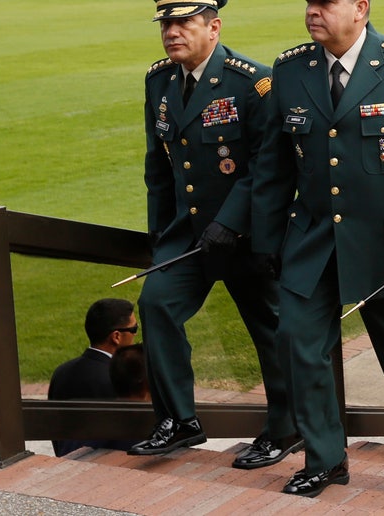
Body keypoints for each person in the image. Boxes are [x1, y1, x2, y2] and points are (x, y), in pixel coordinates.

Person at [251, 0, 384, 500]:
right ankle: (325, 459)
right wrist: (266, 239)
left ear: (361, 8)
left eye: (326, 2)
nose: (313, 11)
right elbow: (274, 165)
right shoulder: (291, 69)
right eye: (309, 3)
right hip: (313, 238)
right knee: (298, 343)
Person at [131, 0, 302, 469]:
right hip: (187, 234)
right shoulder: (158, 80)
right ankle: (178, 421)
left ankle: (286, 429)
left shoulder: (253, 82)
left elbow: (268, 165)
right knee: (156, 303)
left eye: (184, 22)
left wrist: (233, 222)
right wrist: (158, 236)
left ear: (214, 26)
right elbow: (158, 168)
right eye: (166, 24)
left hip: (246, 234)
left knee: (270, 332)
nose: (172, 32)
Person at [48, 298, 138, 457]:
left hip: (66, 463)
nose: (136, 335)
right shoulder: (121, 379)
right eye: (134, 329)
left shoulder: (61, 372)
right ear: (116, 336)